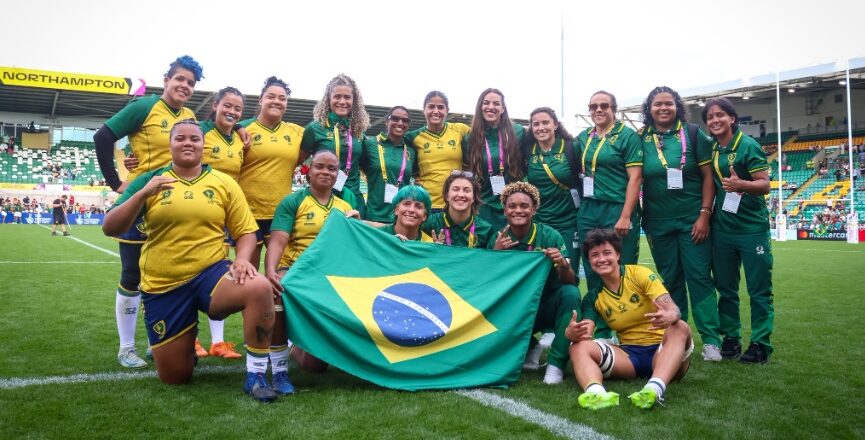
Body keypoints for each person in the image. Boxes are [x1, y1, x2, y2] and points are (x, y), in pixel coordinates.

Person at [102, 119, 279, 403]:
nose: (188, 143)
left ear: (203, 145)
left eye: (194, 139)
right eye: (180, 138)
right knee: (175, 377)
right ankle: (185, 342)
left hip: (211, 274)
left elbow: (246, 232)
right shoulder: (150, 178)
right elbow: (110, 226)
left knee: (258, 287)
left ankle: (256, 376)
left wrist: (244, 259)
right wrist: (144, 193)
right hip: (164, 283)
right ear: (169, 144)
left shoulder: (223, 182)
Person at [93, 55, 203, 369]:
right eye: (179, 79)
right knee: (132, 274)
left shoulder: (190, 115)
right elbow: (103, 136)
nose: (184, 86)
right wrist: (116, 183)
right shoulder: (145, 106)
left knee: (170, 273)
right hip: (141, 201)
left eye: (190, 83)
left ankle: (162, 342)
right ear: (166, 80)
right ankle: (126, 348)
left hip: (173, 205)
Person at [639, 86, 722, 362]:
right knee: (670, 281)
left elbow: (709, 177)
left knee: (699, 277)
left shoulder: (694, 134)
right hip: (657, 223)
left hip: (692, 220)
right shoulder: (641, 138)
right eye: (657, 105)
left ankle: (711, 340)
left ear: (677, 107)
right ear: (648, 109)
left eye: (669, 104)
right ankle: (679, 338)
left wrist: (704, 214)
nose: (663, 109)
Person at [567, 229, 692, 410]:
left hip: (663, 351)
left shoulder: (639, 274)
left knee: (679, 326)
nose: (601, 259)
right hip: (629, 357)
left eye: (607, 253)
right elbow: (585, 332)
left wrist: (669, 316)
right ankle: (596, 394)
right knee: (577, 347)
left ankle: (654, 389)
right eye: (595, 255)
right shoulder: (593, 297)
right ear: (590, 261)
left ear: (618, 255)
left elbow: (673, 309)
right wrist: (571, 333)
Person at [264, 150, 359, 387]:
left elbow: (354, 243)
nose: (325, 172)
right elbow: (277, 240)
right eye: (320, 166)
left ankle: (299, 344)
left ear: (337, 174)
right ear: (308, 170)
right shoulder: (294, 201)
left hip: (329, 275)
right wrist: (271, 270)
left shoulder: (345, 205)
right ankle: (278, 368)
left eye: (331, 168)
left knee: (313, 366)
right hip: (295, 270)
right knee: (277, 290)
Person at [702, 97, 774, 364]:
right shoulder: (712, 148)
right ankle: (731, 338)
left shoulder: (747, 145)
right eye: (710, 117)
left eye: (720, 115)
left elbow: (765, 184)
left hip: (751, 229)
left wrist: (741, 184)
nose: (715, 120)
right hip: (722, 230)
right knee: (726, 288)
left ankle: (760, 343)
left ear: (732, 118)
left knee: (759, 290)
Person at [493, 182, 580, 385]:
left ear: (534, 209)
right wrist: (495, 255)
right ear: (505, 210)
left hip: (544, 306)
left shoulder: (549, 235)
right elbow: (489, 284)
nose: (518, 210)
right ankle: (530, 345)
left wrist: (562, 265)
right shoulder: (500, 238)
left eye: (524, 206)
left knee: (570, 294)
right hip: (514, 310)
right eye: (512, 206)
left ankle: (556, 363)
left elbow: (571, 281)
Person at [574, 91, 643, 303]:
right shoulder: (584, 137)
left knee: (623, 268)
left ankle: (628, 325)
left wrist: (626, 215)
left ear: (614, 109)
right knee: (593, 265)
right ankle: (601, 327)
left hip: (617, 208)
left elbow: (636, 178)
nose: (599, 110)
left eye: (604, 106)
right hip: (588, 209)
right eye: (593, 106)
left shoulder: (627, 136)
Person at [237, 77, 304, 272]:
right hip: (249, 213)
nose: (276, 101)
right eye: (271, 96)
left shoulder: (297, 132)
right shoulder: (242, 130)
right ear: (260, 100)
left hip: (281, 215)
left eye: (282, 98)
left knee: (284, 271)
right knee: (248, 272)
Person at [300, 74, 369, 218]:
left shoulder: (358, 132)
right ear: (328, 99)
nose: (342, 101)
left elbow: (366, 165)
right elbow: (299, 161)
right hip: (324, 196)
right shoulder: (315, 128)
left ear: (354, 101)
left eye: (347, 97)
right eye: (337, 96)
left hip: (354, 198)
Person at [524, 107, 581, 276]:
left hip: (569, 223)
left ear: (555, 124)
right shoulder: (527, 151)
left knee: (568, 271)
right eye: (536, 124)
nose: (541, 127)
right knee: (542, 275)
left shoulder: (571, 148)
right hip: (540, 223)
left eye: (545, 122)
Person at [464, 88, 525, 230]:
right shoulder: (470, 138)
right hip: (483, 206)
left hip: (512, 205)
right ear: (480, 107)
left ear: (503, 108)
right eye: (486, 103)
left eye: (496, 104)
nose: (491, 107)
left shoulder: (518, 132)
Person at [406, 91, 471, 212]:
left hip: (455, 202)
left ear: (447, 110)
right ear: (424, 110)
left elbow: (482, 141)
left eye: (440, 107)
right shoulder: (412, 137)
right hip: (427, 203)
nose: (436, 111)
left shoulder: (460, 130)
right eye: (431, 107)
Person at [360, 106, 416, 223]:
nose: (400, 123)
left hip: (401, 217)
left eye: (405, 120)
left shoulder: (411, 151)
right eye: (395, 118)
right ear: (386, 121)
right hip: (374, 216)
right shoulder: (370, 144)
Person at [422, 171, 495, 248]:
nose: (461, 195)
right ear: (447, 196)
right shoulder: (430, 223)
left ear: (473, 197)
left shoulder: (485, 230)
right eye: (455, 189)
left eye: (466, 190)